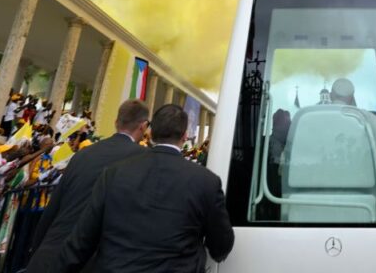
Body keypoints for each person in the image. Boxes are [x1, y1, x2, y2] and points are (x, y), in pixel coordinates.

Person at [57, 104, 234, 272]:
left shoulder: (114, 174)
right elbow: (221, 245)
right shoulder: (206, 181)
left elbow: (82, 241)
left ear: (151, 132)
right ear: (184, 135)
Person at [26, 99, 152, 272]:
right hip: (92, 260)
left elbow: (53, 208)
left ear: (116, 122)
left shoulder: (83, 154)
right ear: (144, 127)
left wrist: (37, 249)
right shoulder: (144, 160)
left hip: (50, 254)